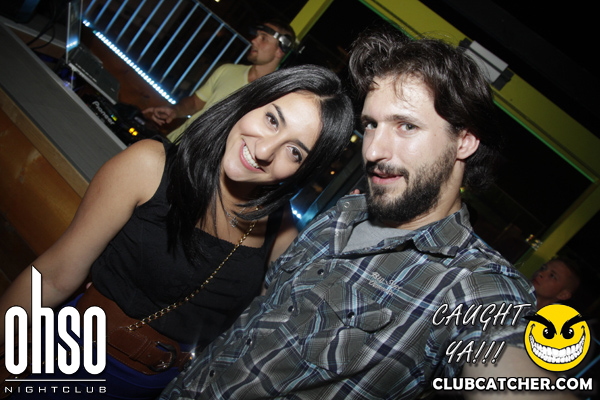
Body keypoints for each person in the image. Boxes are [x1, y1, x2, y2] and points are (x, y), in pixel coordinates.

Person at [159, 26, 575, 400]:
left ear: (463, 142)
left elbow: (508, 357)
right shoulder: (343, 214)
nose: (374, 150)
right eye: (372, 124)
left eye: (406, 126)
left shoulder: (470, 284)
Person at [0, 65, 353, 399]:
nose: (264, 150)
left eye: (294, 152)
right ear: (250, 102)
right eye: (272, 119)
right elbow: (53, 277)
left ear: (303, 171)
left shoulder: (281, 232)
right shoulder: (150, 166)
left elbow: (250, 338)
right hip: (70, 360)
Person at [144, 20, 296, 143]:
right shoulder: (227, 70)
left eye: (263, 38)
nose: (254, 40)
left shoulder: (274, 97)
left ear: (279, 50)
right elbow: (196, 103)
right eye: (256, 35)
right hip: (173, 143)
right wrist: (175, 110)